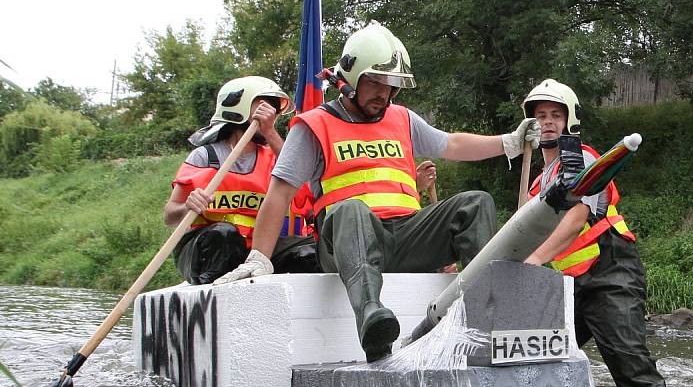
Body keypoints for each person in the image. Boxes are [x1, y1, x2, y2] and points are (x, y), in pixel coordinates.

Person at [214, 22, 538, 362]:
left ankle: (483, 314)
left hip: (404, 236)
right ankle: (372, 317)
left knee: (475, 203)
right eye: (375, 82)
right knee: (351, 209)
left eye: (391, 85)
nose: (384, 93)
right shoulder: (314, 125)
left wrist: (509, 142)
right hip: (344, 243)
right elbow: (279, 194)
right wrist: (260, 257)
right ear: (350, 79)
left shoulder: (402, 118)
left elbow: (452, 143)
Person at [521, 78, 670, 387]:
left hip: (610, 272)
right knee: (536, 361)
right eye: (540, 116)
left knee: (633, 374)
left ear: (569, 121)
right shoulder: (535, 186)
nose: (547, 121)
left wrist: (534, 260)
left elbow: (576, 218)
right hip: (570, 287)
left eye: (555, 115)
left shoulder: (582, 160)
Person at [164, 76, 319, 285]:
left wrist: (270, 133)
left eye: (273, 108)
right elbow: (170, 216)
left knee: (310, 251)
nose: (270, 114)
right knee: (225, 236)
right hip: (210, 249)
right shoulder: (204, 156)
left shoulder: (274, 156)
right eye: (263, 106)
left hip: (258, 250)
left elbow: (300, 188)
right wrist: (188, 207)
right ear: (239, 108)